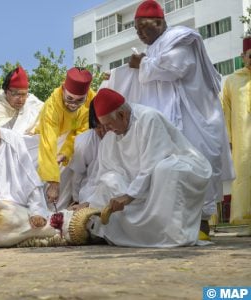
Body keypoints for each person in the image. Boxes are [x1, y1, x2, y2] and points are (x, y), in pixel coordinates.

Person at [122, 0, 233, 235]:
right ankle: (176, 225)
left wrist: (141, 63)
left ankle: (202, 224)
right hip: (174, 118)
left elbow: (175, 67)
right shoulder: (155, 47)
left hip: (195, 117)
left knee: (200, 163)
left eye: (144, 27)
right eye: (137, 29)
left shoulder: (181, 38)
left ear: (160, 22)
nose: (140, 33)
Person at [84, 88, 212, 247]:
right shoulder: (111, 136)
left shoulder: (149, 118)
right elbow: (105, 173)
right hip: (139, 184)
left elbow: (153, 163)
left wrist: (128, 196)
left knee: (166, 169)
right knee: (110, 180)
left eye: (109, 125)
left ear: (122, 115)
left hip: (179, 169)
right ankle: (126, 235)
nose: (107, 131)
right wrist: (89, 202)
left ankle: (174, 235)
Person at [35, 67, 96, 209]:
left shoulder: (92, 100)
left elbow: (82, 131)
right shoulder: (52, 106)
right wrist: (54, 183)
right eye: (69, 99)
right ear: (63, 90)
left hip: (70, 145)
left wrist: (65, 152)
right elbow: (48, 143)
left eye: (79, 100)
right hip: (46, 143)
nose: (73, 105)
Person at [221, 37, 251, 225]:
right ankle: (242, 218)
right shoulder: (232, 81)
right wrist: (228, 140)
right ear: (243, 57)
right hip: (242, 140)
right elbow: (226, 111)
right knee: (243, 175)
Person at [0, 66, 43, 135]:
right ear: (6, 91)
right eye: (15, 94)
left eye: (24, 94)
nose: (20, 99)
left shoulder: (33, 103)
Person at [69, 101, 106, 207]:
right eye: (98, 127)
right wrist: (76, 199)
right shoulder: (83, 142)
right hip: (90, 191)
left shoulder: (118, 134)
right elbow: (78, 174)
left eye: (105, 125)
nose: (103, 131)